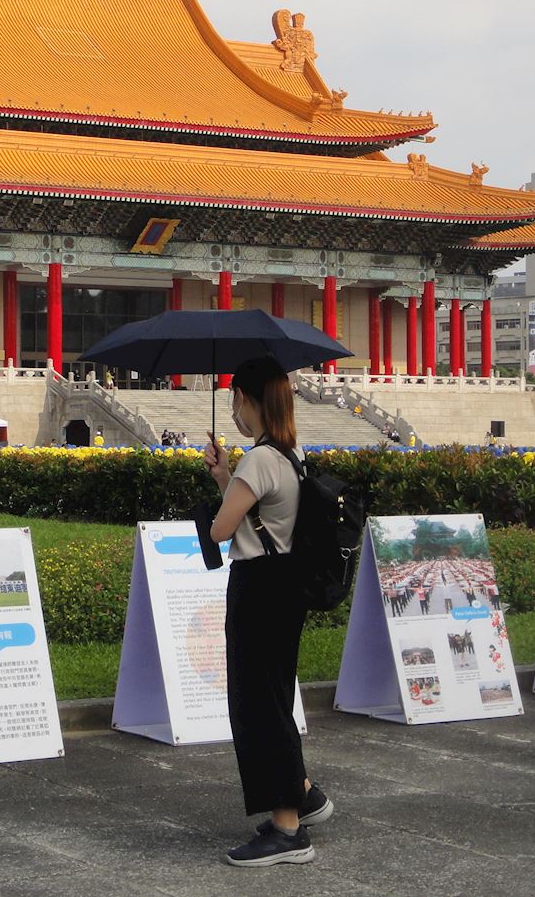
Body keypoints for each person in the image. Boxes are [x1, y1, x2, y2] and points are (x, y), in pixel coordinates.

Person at [202, 356, 332, 868]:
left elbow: (221, 529)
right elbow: (256, 520)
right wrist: (224, 476)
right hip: (286, 586)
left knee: (257, 705)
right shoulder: (290, 454)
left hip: (258, 588)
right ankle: (303, 794)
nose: (234, 408)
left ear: (245, 399)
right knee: (273, 697)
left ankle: (287, 828)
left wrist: (225, 483)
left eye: (235, 398)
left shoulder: (258, 460)